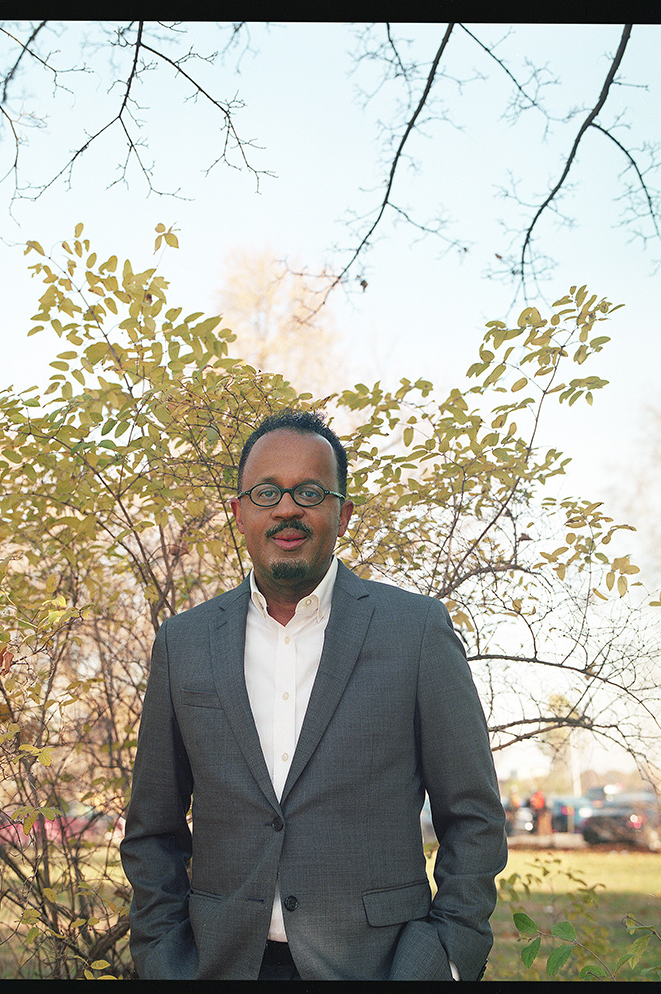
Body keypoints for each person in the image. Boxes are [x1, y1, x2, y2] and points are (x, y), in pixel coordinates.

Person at [120, 409, 507, 981]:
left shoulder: (416, 631)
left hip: (378, 967)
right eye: (266, 492)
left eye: (309, 491)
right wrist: (163, 958)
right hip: (218, 965)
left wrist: (445, 957)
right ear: (239, 513)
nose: (286, 508)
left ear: (342, 513)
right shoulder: (185, 642)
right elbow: (153, 828)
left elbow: (473, 816)